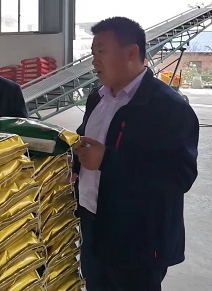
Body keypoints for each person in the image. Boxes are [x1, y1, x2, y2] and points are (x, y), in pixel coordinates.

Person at [73, 16, 199, 291]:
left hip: (139, 239)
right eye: (93, 53)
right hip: (94, 224)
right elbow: (86, 143)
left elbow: (180, 176)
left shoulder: (168, 107)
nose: (94, 61)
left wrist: (107, 160)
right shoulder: (98, 98)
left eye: (101, 52)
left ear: (131, 52)